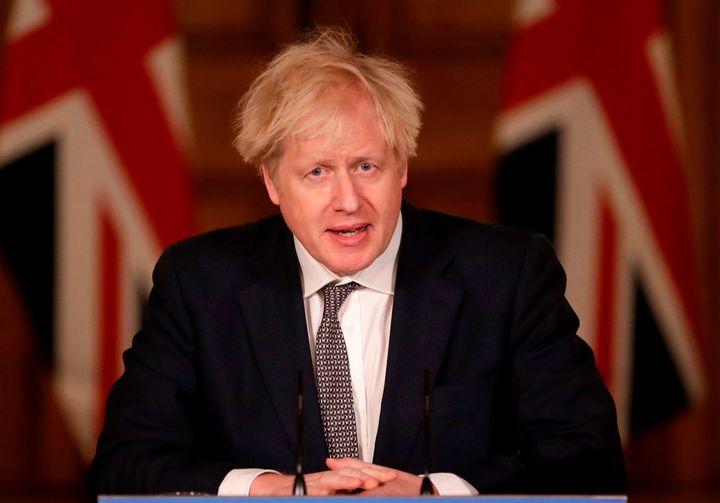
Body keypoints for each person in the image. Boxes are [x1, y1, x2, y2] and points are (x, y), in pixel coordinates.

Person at [88, 27, 626, 496]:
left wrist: (433, 493)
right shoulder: (198, 283)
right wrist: (266, 489)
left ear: (403, 169)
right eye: (317, 172)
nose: (348, 200)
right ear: (273, 183)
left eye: (367, 165)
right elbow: (125, 463)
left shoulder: (505, 275)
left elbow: (587, 454)